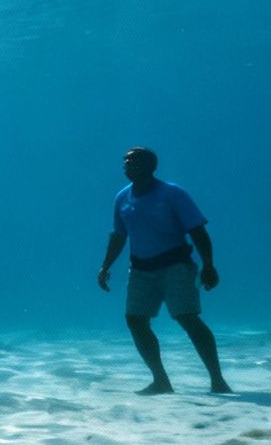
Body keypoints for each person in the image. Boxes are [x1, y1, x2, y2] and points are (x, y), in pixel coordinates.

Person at [96, 147, 232, 395]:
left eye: (135, 162)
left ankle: (217, 379)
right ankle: (161, 380)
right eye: (126, 163)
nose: (128, 167)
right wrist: (105, 266)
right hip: (140, 268)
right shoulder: (122, 198)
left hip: (175, 265)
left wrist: (209, 265)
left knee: (186, 317)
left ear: (151, 166)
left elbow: (198, 231)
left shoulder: (172, 194)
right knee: (135, 320)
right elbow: (118, 236)